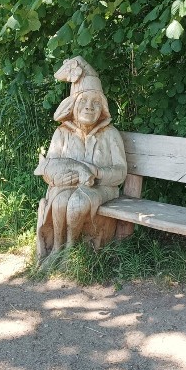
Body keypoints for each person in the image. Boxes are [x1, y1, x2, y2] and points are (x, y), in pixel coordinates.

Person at [35, 58, 127, 262]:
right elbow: (48, 165)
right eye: (83, 101)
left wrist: (98, 172)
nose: (89, 107)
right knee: (59, 202)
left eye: (96, 103)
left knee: (77, 203)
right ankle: (56, 249)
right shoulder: (62, 133)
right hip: (67, 187)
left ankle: (71, 252)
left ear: (103, 108)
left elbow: (121, 172)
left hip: (102, 187)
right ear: (73, 105)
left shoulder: (110, 134)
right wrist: (56, 180)